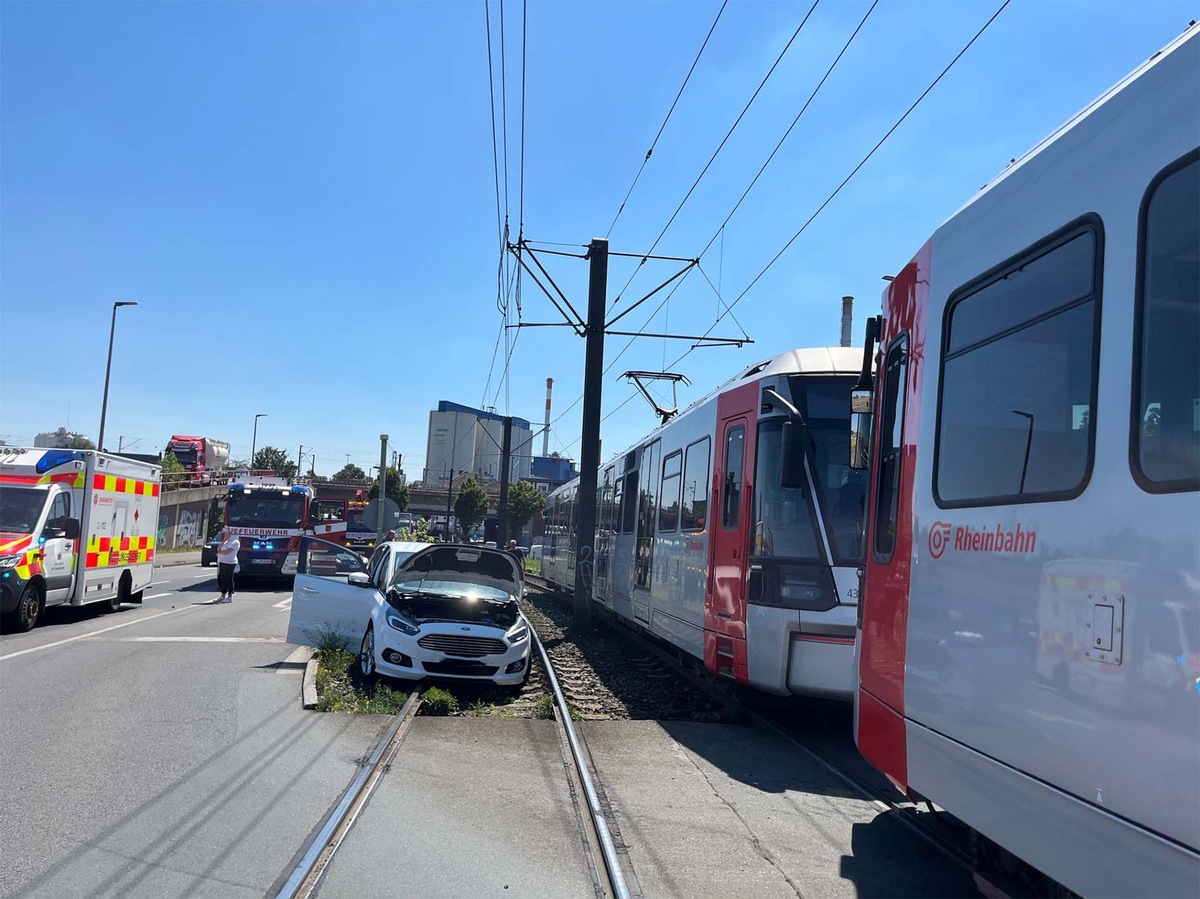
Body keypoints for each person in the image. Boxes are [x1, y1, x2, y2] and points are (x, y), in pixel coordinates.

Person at [216, 529, 241, 603]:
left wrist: (221, 552)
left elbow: (227, 552)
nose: (227, 535)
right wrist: (224, 540)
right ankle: (223, 595)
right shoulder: (226, 542)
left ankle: (230, 596)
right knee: (223, 578)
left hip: (230, 562)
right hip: (222, 561)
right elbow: (218, 549)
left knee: (228, 578)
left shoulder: (236, 542)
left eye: (228, 534)